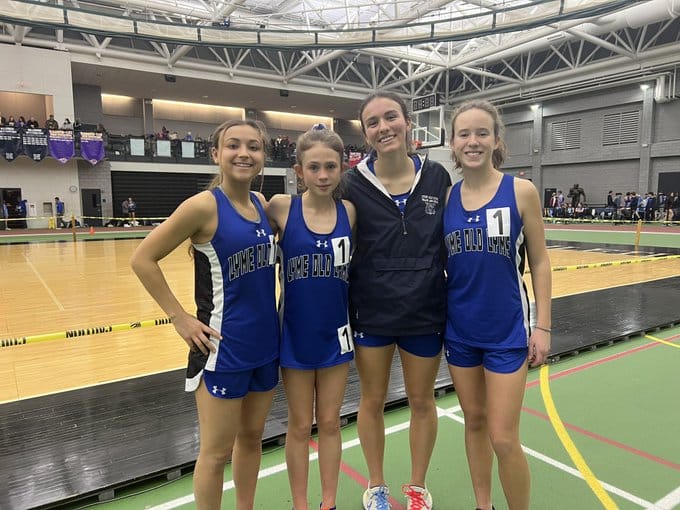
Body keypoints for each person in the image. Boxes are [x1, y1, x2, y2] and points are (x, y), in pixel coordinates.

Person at [130, 119, 279, 510]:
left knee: (252, 439)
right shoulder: (203, 206)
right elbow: (142, 259)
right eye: (233, 145)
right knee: (215, 453)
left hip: (266, 345)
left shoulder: (261, 204)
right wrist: (178, 317)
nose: (244, 153)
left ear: (263, 156)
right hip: (221, 349)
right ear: (216, 154)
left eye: (253, 146)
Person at [342, 90, 451, 510]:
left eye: (391, 117)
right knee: (372, 401)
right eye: (373, 122)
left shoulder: (437, 176)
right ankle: (376, 486)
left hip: (425, 310)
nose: (383, 127)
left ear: (408, 122)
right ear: (365, 133)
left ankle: (417, 487)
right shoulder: (351, 183)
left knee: (422, 401)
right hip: (372, 310)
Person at [443, 99, 552, 510]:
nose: (473, 141)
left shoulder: (520, 192)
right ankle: (483, 504)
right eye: (464, 134)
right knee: (473, 421)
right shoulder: (447, 198)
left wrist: (543, 326)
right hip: (460, 332)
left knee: (503, 437)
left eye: (481, 133)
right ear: (453, 144)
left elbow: (540, 261)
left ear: (496, 140)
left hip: (507, 331)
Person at [266, 128, 356, 510]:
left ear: (342, 169)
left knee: (331, 422)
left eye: (330, 167)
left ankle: (329, 503)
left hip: (336, 334)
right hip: (295, 334)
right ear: (299, 170)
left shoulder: (349, 212)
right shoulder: (280, 208)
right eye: (314, 167)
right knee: (301, 425)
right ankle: (300, 504)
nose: (323, 175)